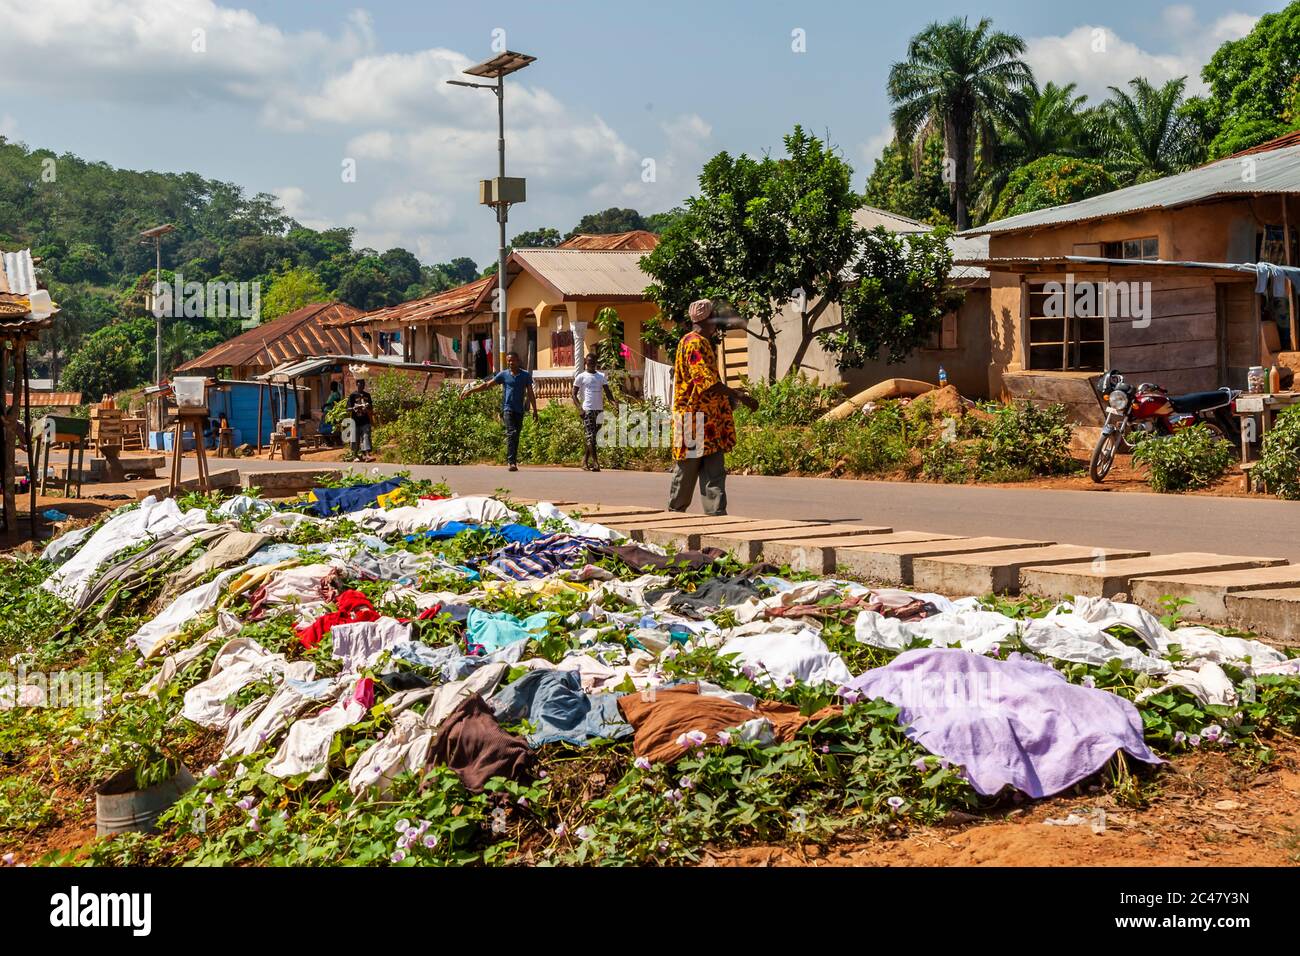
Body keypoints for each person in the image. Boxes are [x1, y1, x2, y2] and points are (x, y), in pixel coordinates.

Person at [668, 299, 757, 515]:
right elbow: (706, 383)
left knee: (715, 472)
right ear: (706, 321)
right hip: (693, 419)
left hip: (710, 421)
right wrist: (739, 396)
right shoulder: (694, 344)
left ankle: (716, 518)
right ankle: (675, 516)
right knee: (686, 474)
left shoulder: (701, 342)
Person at [460, 351, 538, 471]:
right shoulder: (504, 375)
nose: (510, 363)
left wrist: (535, 410)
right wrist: (471, 391)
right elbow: (487, 385)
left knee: (516, 435)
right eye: (509, 361)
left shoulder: (525, 376)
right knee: (512, 432)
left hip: (519, 410)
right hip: (508, 409)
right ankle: (511, 462)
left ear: (518, 361)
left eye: (513, 360)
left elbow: (530, 393)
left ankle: (513, 460)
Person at [572, 352, 616, 471]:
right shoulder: (581, 376)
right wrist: (580, 409)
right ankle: (596, 463)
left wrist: (614, 403)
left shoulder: (601, 376)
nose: (590, 364)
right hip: (587, 410)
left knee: (593, 437)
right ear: (586, 363)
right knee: (591, 436)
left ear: (596, 363)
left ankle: (584, 461)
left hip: (599, 410)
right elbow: (574, 395)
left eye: (592, 363)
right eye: (588, 362)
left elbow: (608, 393)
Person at [347, 379, 376, 462]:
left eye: (363, 384)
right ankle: (355, 455)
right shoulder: (352, 395)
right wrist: (355, 408)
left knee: (366, 436)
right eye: (360, 383)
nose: (362, 385)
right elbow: (348, 409)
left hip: (365, 421)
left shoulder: (367, 395)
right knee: (355, 439)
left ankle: (367, 455)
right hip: (355, 421)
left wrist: (367, 406)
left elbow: (371, 407)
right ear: (357, 384)